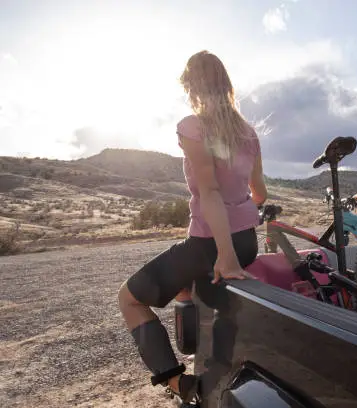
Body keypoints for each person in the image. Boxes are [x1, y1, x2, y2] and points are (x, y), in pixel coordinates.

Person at [117, 50, 267, 404]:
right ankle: (208, 371)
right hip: (247, 242)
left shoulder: (193, 127)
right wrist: (243, 218)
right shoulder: (248, 133)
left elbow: (209, 191)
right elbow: (258, 192)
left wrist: (225, 255)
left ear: (191, 87)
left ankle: (175, 383)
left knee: (128, 298)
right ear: (226, 85)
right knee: (191, 295)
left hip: (212, 246)